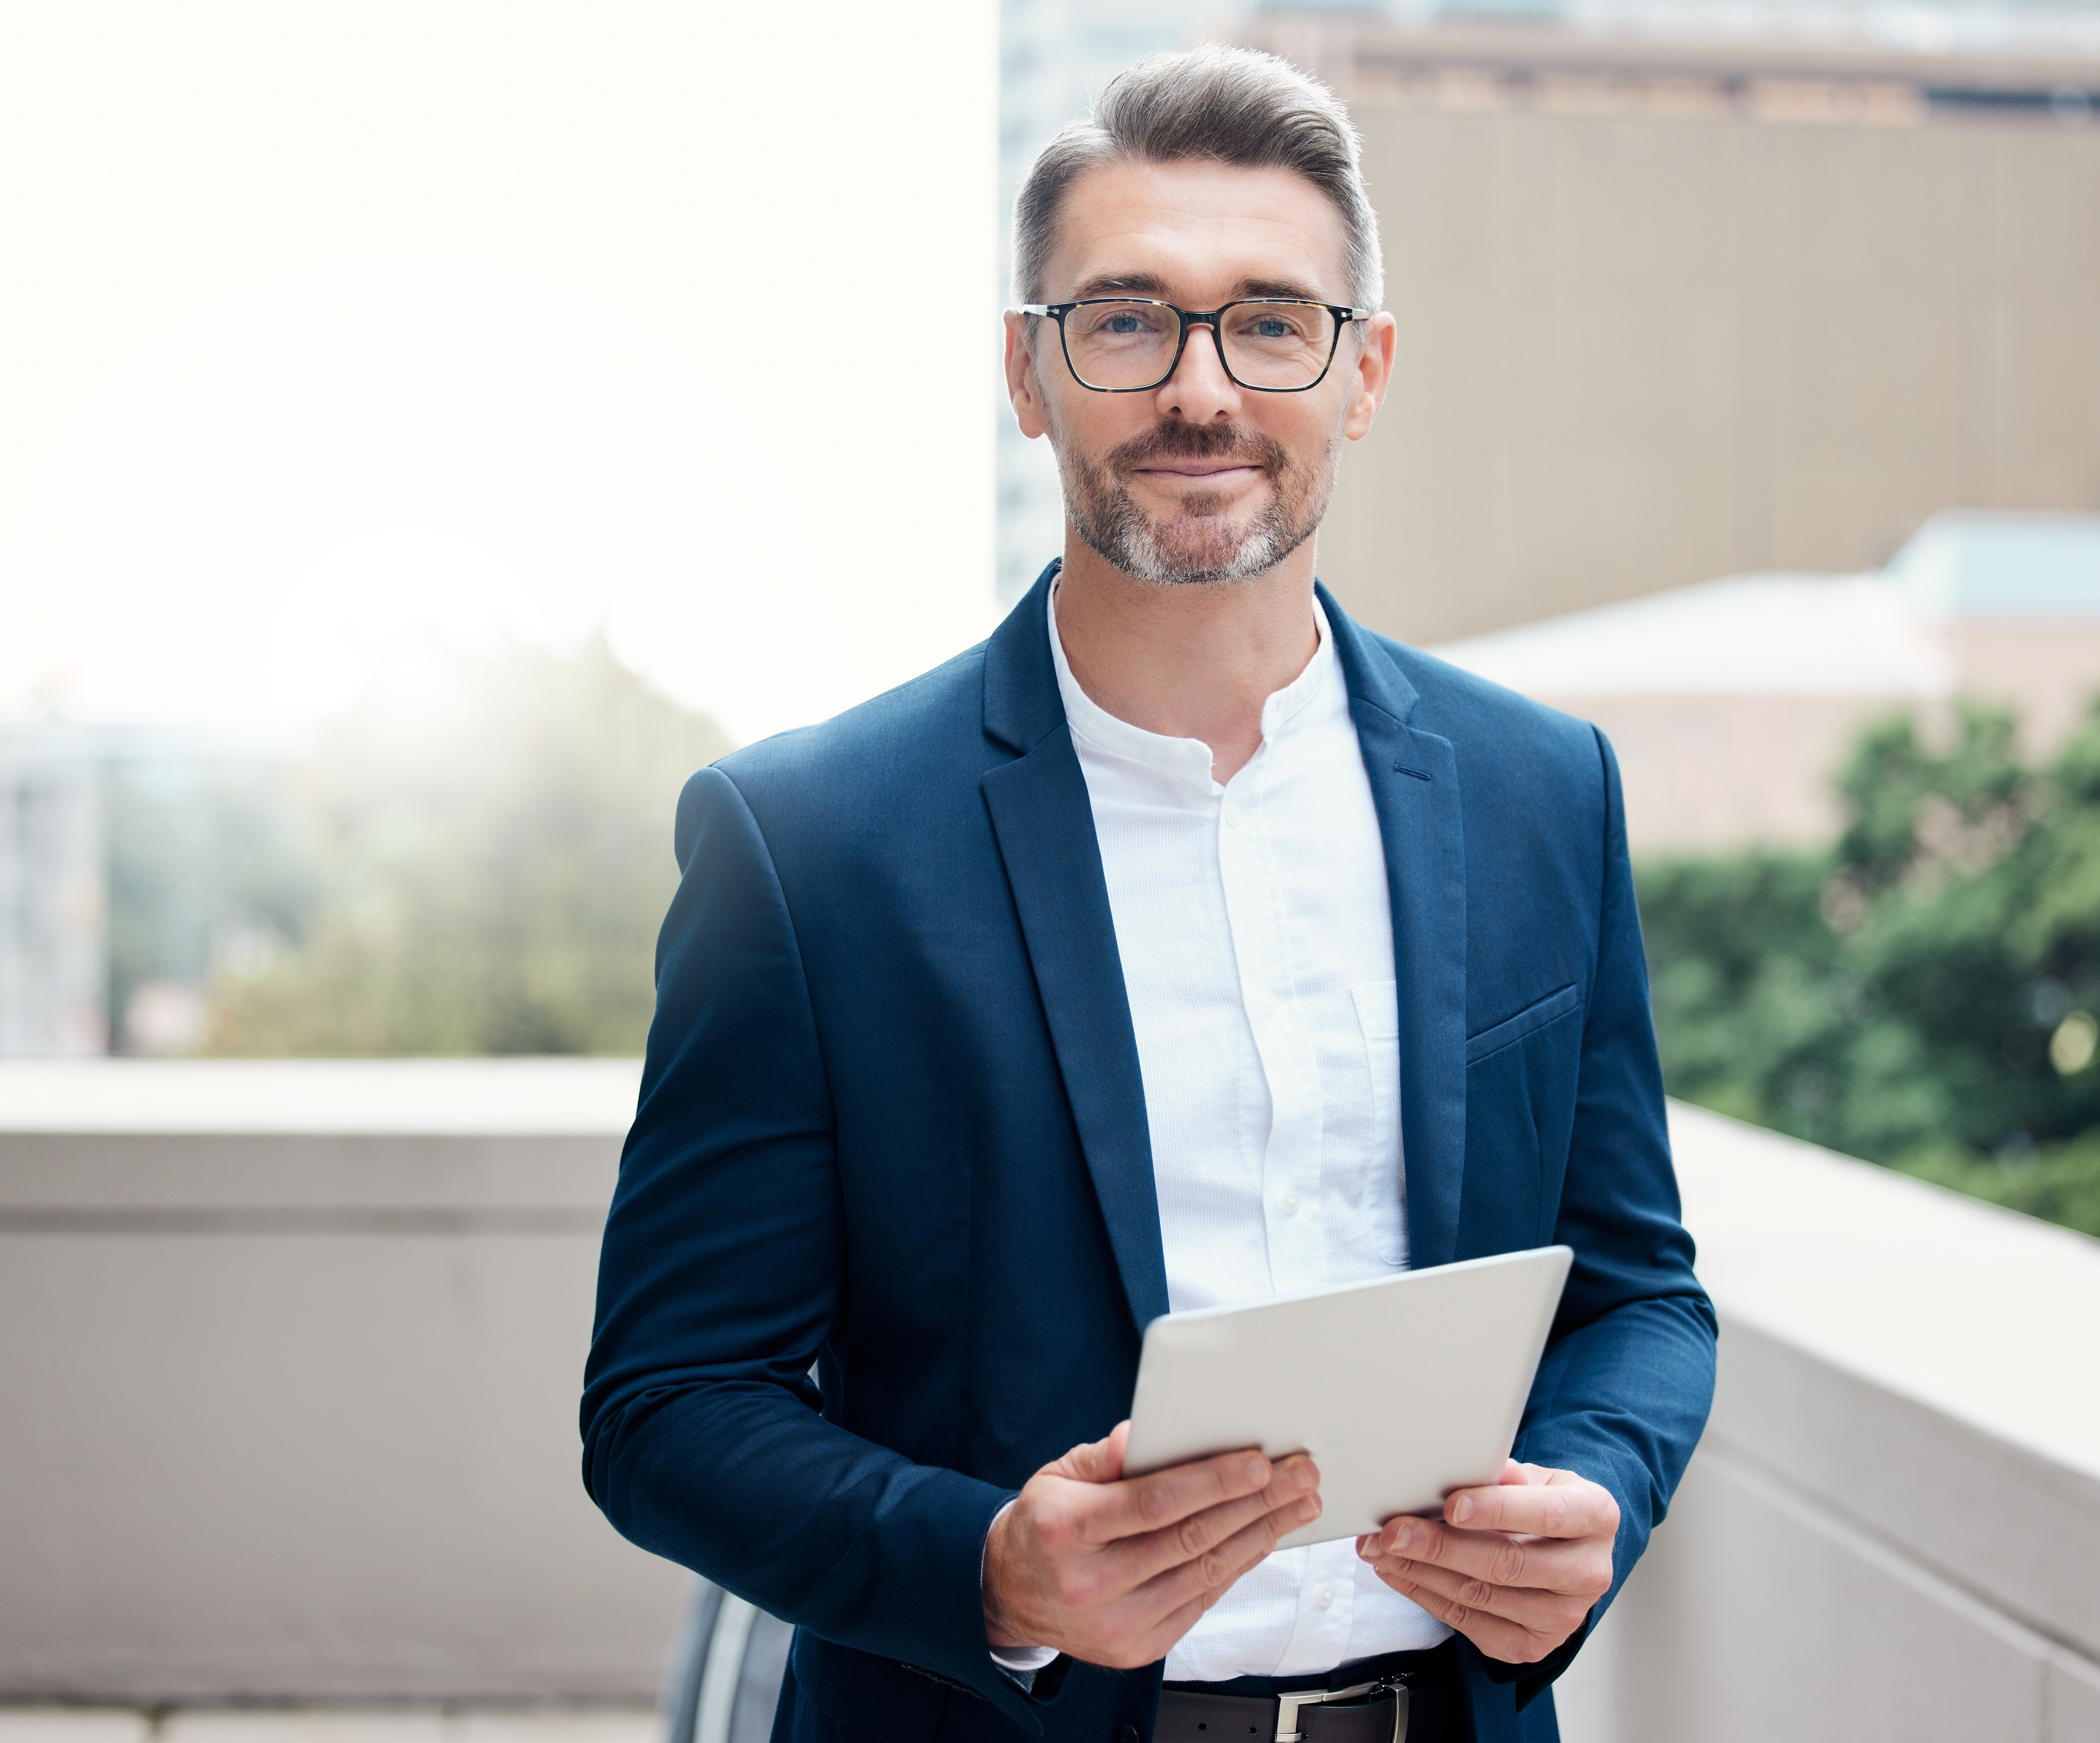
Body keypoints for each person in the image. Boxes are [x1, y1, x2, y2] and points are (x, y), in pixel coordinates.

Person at [582, 45, 1715, 1743]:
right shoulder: (808, 844)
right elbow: (666, 1403)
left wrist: (1600, 1486)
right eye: (1125, 322)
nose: (1201, 388)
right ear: (1028, 374)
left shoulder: (1541, 791)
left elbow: (1637, 1294)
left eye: (1271, 321)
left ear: (1364, 372)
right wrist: (988, 1569)